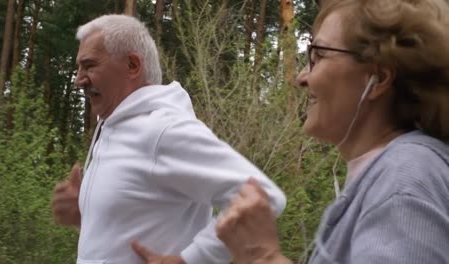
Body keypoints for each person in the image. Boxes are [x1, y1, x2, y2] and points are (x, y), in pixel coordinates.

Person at [215, 0, 449, 263]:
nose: (301, 78)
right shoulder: (390, 175)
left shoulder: (405, 178)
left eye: (319, 55)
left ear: (379, 79)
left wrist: (263, 256)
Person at [51, 14, 286, 264]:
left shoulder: (161, 129)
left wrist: (192, 259)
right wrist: (86, 214)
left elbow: (264, 196)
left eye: (89, 65)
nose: (78, 80)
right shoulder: (112, 128)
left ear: (132, 65)